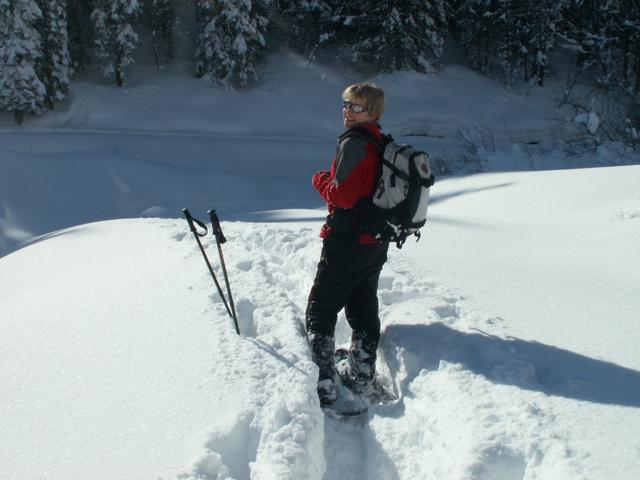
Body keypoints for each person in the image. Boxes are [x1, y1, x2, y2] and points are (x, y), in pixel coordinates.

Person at [306, 83, 389, 406]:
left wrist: (320, 180)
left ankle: (324, 382)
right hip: (374, 240)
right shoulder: (379, 140)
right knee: (363, 306)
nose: (347, 111)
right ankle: (362, 375)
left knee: (322, 307)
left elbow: (342, 196)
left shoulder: (355, 143)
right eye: (345, 104)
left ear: (372, 111)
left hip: (348, 239)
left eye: (356, 106)